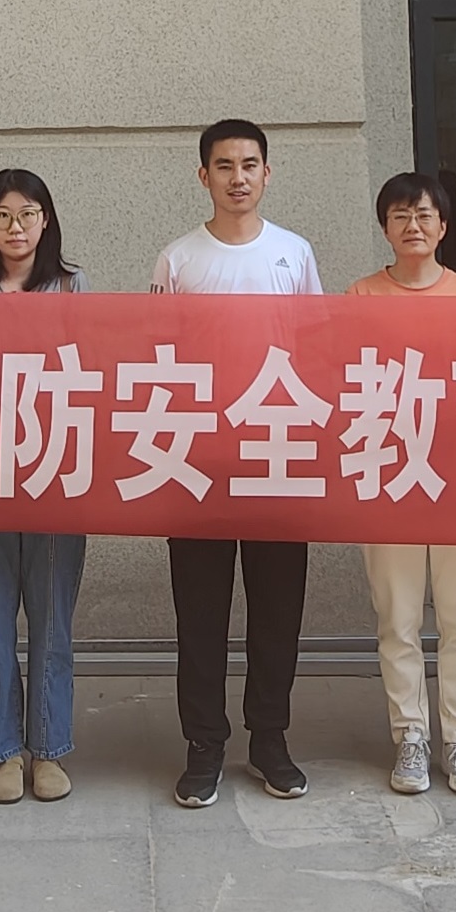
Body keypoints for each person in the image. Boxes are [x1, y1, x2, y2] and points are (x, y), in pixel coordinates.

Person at [153, 119, 327, 807]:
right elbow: (158, 357)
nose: (237, 177)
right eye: (223, 165)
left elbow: (315, 349)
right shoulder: (177, 259)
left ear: (267, 173)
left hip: (276, 450)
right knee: (199, 611)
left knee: (277, 607)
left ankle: (269, 739)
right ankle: (203, 744)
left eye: (249, 164)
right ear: (203, 176)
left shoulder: (294, 253)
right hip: (197, 455)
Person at [351, 172, 456, 797]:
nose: (414, 225)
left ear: (444, 227)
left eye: (425, 215)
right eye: (401, 215)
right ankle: (410, 735)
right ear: (385, 227)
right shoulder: (361, 295)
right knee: (398, 618)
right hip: (389, 473)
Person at [0, 171, 89, 804]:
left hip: (57, 469)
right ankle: (1, 749)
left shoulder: (72, 285)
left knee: (52, 619)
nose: (16, 227)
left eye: (28, 214)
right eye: (3, 215)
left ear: (46, 220)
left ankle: (49, 749)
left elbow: (93, 366)